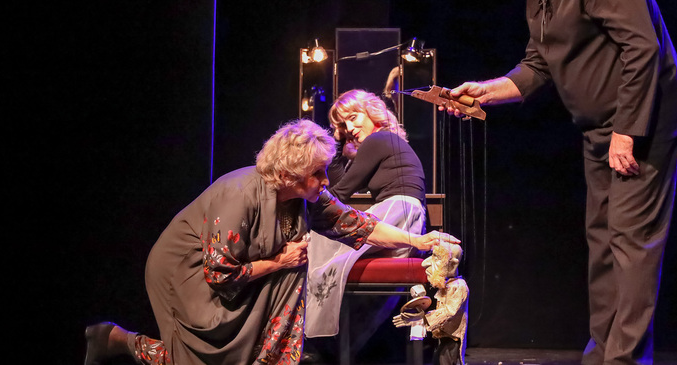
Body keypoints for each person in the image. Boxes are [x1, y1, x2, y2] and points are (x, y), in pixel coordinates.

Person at [442, 0, 677, 364]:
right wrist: (487, 91)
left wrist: (627, 131)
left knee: (631, 245)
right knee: (602, 244)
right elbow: (539, 64)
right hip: (598, 132)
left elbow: (643, 49)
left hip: (643, 129)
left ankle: (623, 360)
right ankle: (601, 355)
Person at [83, 119, 458, 365]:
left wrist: (419, 239)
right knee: (198, 359)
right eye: (318, 172)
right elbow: (220, 274)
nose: (326, 180)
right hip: (186, 270)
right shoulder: (239, 196)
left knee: (242, 345)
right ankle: (117, 340)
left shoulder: (307, 196)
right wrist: (279, 261)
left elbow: (359, 226)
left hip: (240, 271)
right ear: (291, 174)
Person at [304, 90, 427, 355]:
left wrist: (306, 211)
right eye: (342, 125)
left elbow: (339, 194)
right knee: (370, 294)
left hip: (397, 212)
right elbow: (341, 185)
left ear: (373, 112)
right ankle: (336, 349)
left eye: (353, 117)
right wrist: (340, 144)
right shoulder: (387, 141)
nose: (349, 128)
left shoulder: (378, 139)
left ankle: (312, 340)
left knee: (315, 244)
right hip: (408, 219)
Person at [393, 243, 468, 365]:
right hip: (443, 337)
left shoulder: (459, 287)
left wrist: (422, 319)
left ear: (453, 265)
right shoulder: (446, 285)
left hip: (452, 339)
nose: (425, 263)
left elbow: (449, 312)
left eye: (436, 258)